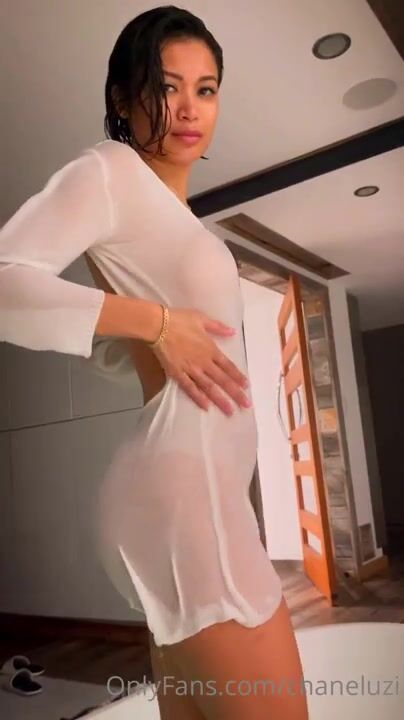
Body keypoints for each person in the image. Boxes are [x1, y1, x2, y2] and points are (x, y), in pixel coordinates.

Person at [0, 6, 308, 719]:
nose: (189, 108)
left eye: (206, 88)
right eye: (166, 86)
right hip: (187, 499)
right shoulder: (109, 170)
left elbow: (138, 353)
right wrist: (159, 323)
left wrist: (155, 335)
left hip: (193, 495)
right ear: (122, 97)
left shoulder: (170, 216)